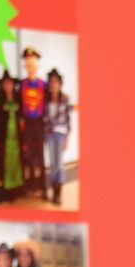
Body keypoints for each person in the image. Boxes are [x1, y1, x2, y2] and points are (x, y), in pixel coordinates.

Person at [0, 72, 23, 205]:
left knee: (17, 163)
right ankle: (7, 191)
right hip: (4, 138)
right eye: (5, 83)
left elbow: (22, 116)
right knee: (5, 163)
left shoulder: (17, 98)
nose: (8, 85)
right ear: (2, 85)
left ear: (13, 84)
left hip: (17, 138)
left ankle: (17, 189)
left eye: (10, 82)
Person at [18, 49, 48, 199]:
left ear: (37, 67)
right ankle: (29, 187)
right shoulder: (21, 85)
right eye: (28, 65)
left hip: (39, 124)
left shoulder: (44, 84)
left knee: (40, 158)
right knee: (28, 157)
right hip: (27, 125)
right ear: (25, 67)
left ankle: (43, 188)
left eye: (33, 65)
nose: (31, 68)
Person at [43, 69, 74, 206]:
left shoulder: (65, 98)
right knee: (52, 163)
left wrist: (68, 138)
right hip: (49, 134)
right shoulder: (47, 100)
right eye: (51, 82)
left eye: (56, 82)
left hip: (61, 134)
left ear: (60, 83)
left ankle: (58, 194)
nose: (53, 84)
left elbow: (68, 120)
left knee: (59, 164)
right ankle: (53, 190)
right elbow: (44, 118)